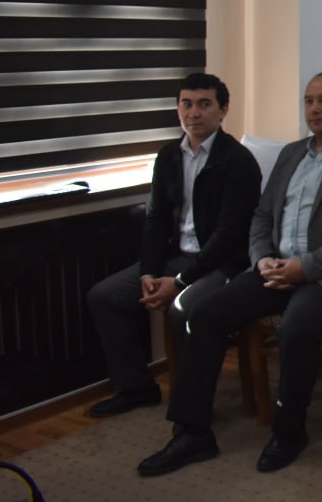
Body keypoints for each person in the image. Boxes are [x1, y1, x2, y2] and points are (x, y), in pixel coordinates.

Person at [139, 72, 322, 476]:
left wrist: (303, 268)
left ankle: (289, 432)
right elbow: (261, 217)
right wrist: (261, 259)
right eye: (309, 101)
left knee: (295, 329)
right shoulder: (291, 154)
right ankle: (192, 432)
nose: (314, 109)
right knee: (203, 313)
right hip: (275, 267)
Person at [86, 73, 262, 418]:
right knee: (104, 297)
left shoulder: (238, 161)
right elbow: (156, 220)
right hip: (175, 257)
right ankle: (137, 388)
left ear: (223, 110)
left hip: (221, 263)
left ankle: (190, 411)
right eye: (187, 104)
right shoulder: (168, 156)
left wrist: (180, 282)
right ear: (177, 108)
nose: (194, 113)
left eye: (204, 104)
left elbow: (229, 235)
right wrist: (149, 272)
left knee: (185, 311)